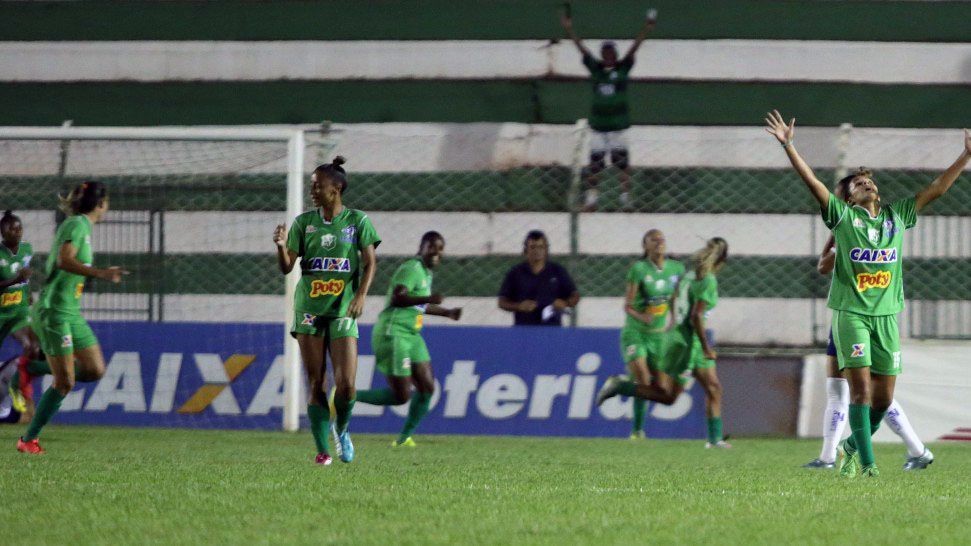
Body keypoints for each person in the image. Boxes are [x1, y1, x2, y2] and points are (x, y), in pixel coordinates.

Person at [766, 110, 970, 477]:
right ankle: (867, 463)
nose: (866, 185)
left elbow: (938, 188)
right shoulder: (845, 220)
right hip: (852, 316)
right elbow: (813, 183)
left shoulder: (898, 216)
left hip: (887, 316)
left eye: (868, 181)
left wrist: (966, 156)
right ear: (847, 199)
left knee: (884, 400)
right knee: (858, 392)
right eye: (857, 184)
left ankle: (848, 446)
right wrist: (790, 146)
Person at [803, 209, 933, 471]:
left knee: (865, 392)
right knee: (849, 390)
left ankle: (835, 457)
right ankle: (915, 450)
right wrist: (835, 241)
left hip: (864, 316)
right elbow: (823, 266)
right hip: (847, 317)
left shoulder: (867, 228)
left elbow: (824, 267)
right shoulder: (843, 227)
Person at [274, 156, 380, 465]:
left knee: (346, 385)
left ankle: (342, 428)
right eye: (311, 186)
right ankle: (322, 450)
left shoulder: (357, 221)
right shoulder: (304, 223)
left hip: (343, 309)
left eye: (318, 186)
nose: (313, 191)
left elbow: (370, 261)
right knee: (316, 381)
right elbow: (286, 267)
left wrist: (360, 295)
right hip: (309, 309)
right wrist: (281, 246)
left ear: (337, 188)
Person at [17, 182, 129, 454]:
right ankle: (28, 440)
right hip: (54, 311)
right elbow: (64, 261)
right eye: (107, 202)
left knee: (94, 370)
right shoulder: (77, 224)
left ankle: (34, 368)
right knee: (65, 383)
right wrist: (101, 273)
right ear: (101, 204)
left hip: (71, 312)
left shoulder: (82, 227)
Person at [597, 237, 731, 448]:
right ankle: (621, 387)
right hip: (687, 345)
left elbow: (673, 298)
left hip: (681, 338)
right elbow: (697, 316)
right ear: (722, 261)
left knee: (713, 387)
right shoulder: (709, 281)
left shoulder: (688, 276)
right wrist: (706, 347)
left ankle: (715, 440)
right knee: (667, 397)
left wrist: (672, 323)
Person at [356, 231, 461, 447]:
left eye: (440, 248)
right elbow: (398, 297)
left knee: (427, 388)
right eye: (432, 247)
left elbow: (418, 304)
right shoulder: (412, 268)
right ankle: (347, 396)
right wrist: (428, 297)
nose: (436, 252)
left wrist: (447, 313)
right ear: (421, 247)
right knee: (401, 396)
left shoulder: (426, 273)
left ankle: (404, 438)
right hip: (394, 333)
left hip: (412, 335)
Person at [560, 8, 657, 211]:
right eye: (605, 53)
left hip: (618, 127)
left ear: (616, 55)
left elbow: (634, 49)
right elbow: (582, 50)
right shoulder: (595, 69)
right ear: (602, 56)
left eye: (612, 53)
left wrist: (646, 29)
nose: (609, 56)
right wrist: (569, 29)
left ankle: (625, 199)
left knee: (623, 164)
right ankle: (591, 200)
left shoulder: (622, 69)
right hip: (598, 126)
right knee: (595, 165)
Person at [619, 229, 684, 439]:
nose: (658, 242)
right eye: (653, 239)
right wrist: (641, 316)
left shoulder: (676, 268)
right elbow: (627, 306)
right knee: (643, 378)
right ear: (645, 246)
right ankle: (637, 431)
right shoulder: (638, 269)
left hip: (658, 336)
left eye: (661, 239)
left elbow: (674, 296)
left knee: (662, 389)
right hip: (635, 332)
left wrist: (674, 320)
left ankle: (621, 387)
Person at [498, 230, 579, 326]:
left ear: (546, 250)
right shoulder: (515, 273)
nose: (537, 251)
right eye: (532, 247)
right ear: (525, 250)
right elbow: (502, 302)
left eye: (541, 247)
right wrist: (519, 306)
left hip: (552, 329)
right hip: (523, 329)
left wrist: (564, 303)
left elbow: (575, 296)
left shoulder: (558, 271)